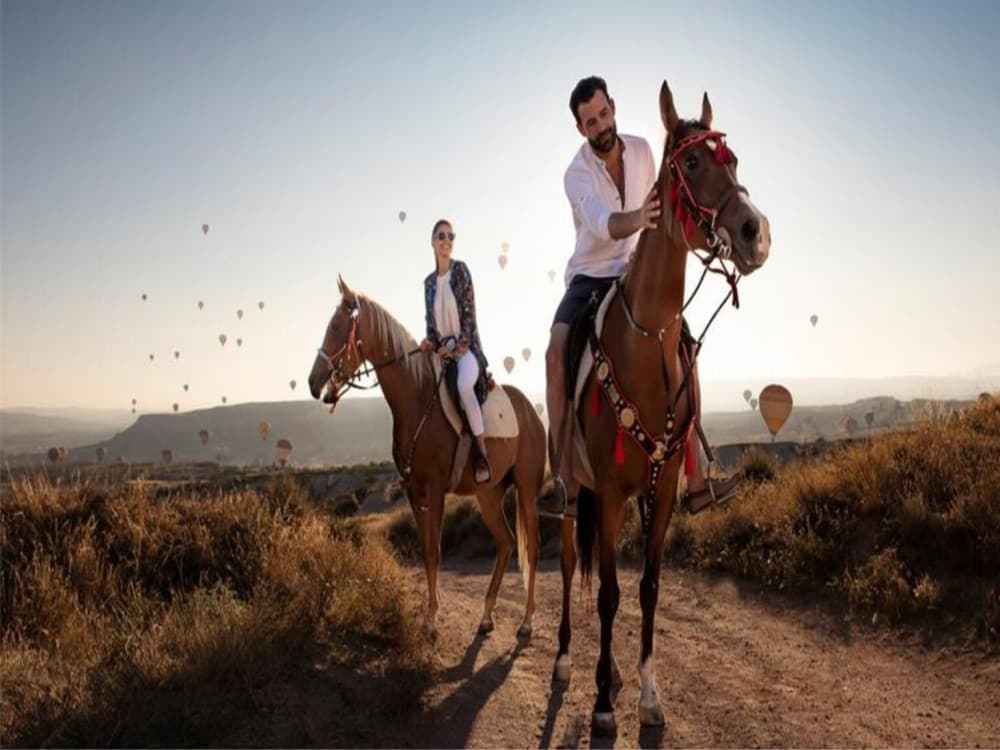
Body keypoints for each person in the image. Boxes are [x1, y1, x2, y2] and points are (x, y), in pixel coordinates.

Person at [537, 76, 740, 518]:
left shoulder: (645, 151)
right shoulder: (576, 175)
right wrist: (639, 217)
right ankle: (565, 476)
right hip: (590, 276)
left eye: (603, 114)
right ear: (580, 128)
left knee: (685, 345)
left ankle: (697, 476)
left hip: (636, 272)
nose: (600, 126)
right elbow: (603, 224)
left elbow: (672, 202)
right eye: (590, 122)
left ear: (613, 106)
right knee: (555, 351)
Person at [420, 219, 493, 483]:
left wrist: (461, 345)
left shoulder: (460, 271)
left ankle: (481, 453)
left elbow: (469, 313)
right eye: (441, 236)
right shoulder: (429, 283)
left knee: (463, 385)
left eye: (451, 236)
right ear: (432, 242)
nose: (446, 241)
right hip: (443, 352)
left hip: (466, 350)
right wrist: (430, 343)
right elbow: (431, 327)